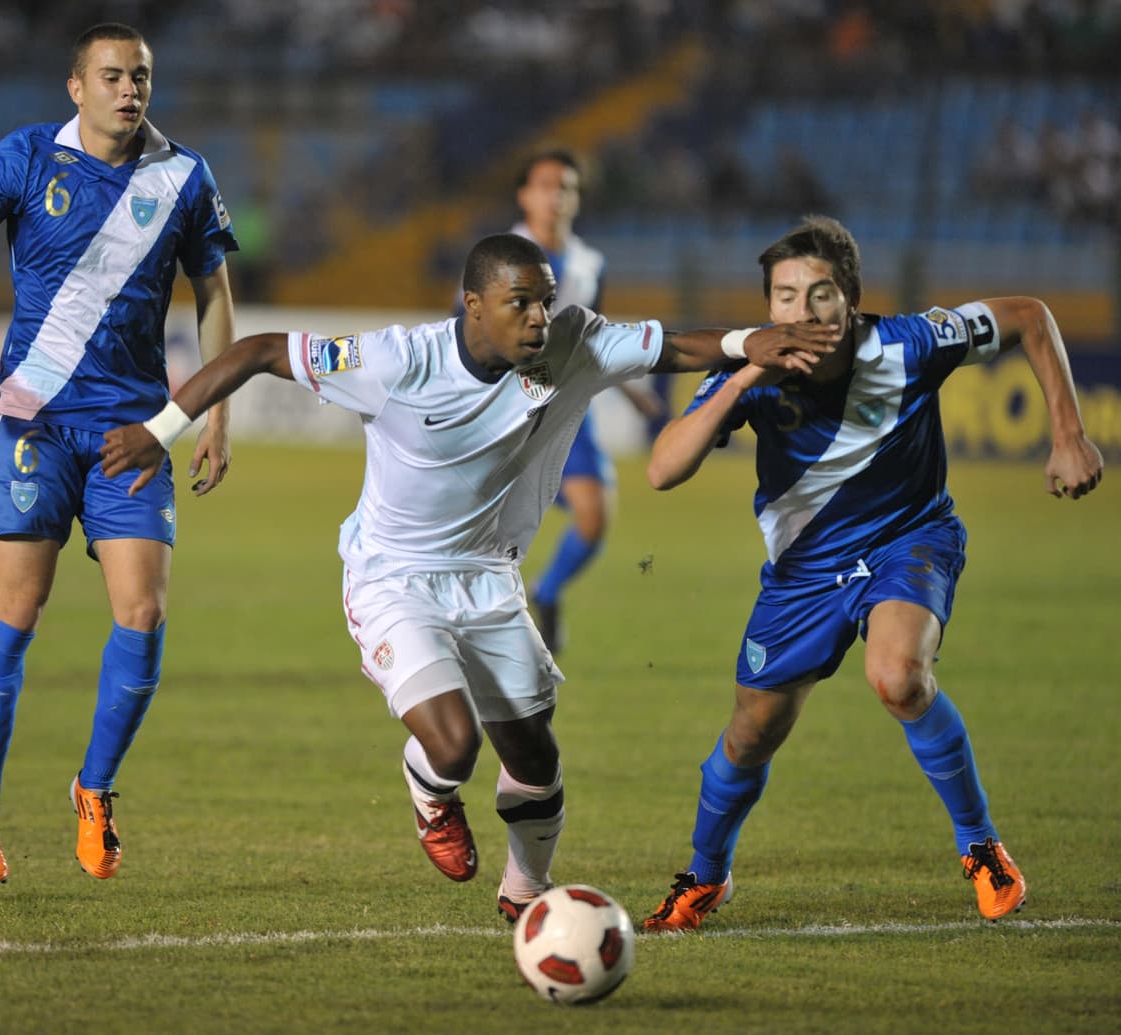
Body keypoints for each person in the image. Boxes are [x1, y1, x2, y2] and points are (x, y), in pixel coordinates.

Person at [99, 233, 840, 921]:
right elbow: (259, 349)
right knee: (454, 745)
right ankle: (430, 791)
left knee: (537, 756)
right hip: (391, 576)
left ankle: (527, 891)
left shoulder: (572, 341)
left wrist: (749, 342)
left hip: (488, 577)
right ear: (474, 304)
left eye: (545, 298)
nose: (540, 318)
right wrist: (159, 431)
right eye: (521, 302)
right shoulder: (396, 361)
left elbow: (675, 345)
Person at [642, 215, 1103, 931]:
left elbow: (1029, 316)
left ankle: (980, 846)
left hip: (908, 539)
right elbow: (663, 468)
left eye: (820, 293)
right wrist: (749, 371)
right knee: (750, 734)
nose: (802, 312)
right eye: (785, 297)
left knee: (898, 676)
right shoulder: (749, 372)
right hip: (803, 575)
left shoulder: (913, 343)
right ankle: (705, 876)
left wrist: (1068, 432)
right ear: (768, 307)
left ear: (851, 298)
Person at [0, 22, 239, 886]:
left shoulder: (182, 175)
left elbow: (214, 298)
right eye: (114, 76)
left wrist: (214, 414)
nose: (131, 91)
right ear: (76, 88)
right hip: (36, 422)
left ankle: (95, 790)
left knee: (143, 614)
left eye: (142, 77)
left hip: (135, 430)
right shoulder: (22, 158)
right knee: (16, 610)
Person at [507, 147, 667, 653]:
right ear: (525, 195)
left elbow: (592, 337)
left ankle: (546, 592)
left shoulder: (588, 263)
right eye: (546, 185)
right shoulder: (501, 254)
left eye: (567, 187)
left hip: (566, 409)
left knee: (594, 517)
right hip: (506, 411)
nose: (557, 196)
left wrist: (632, 389)